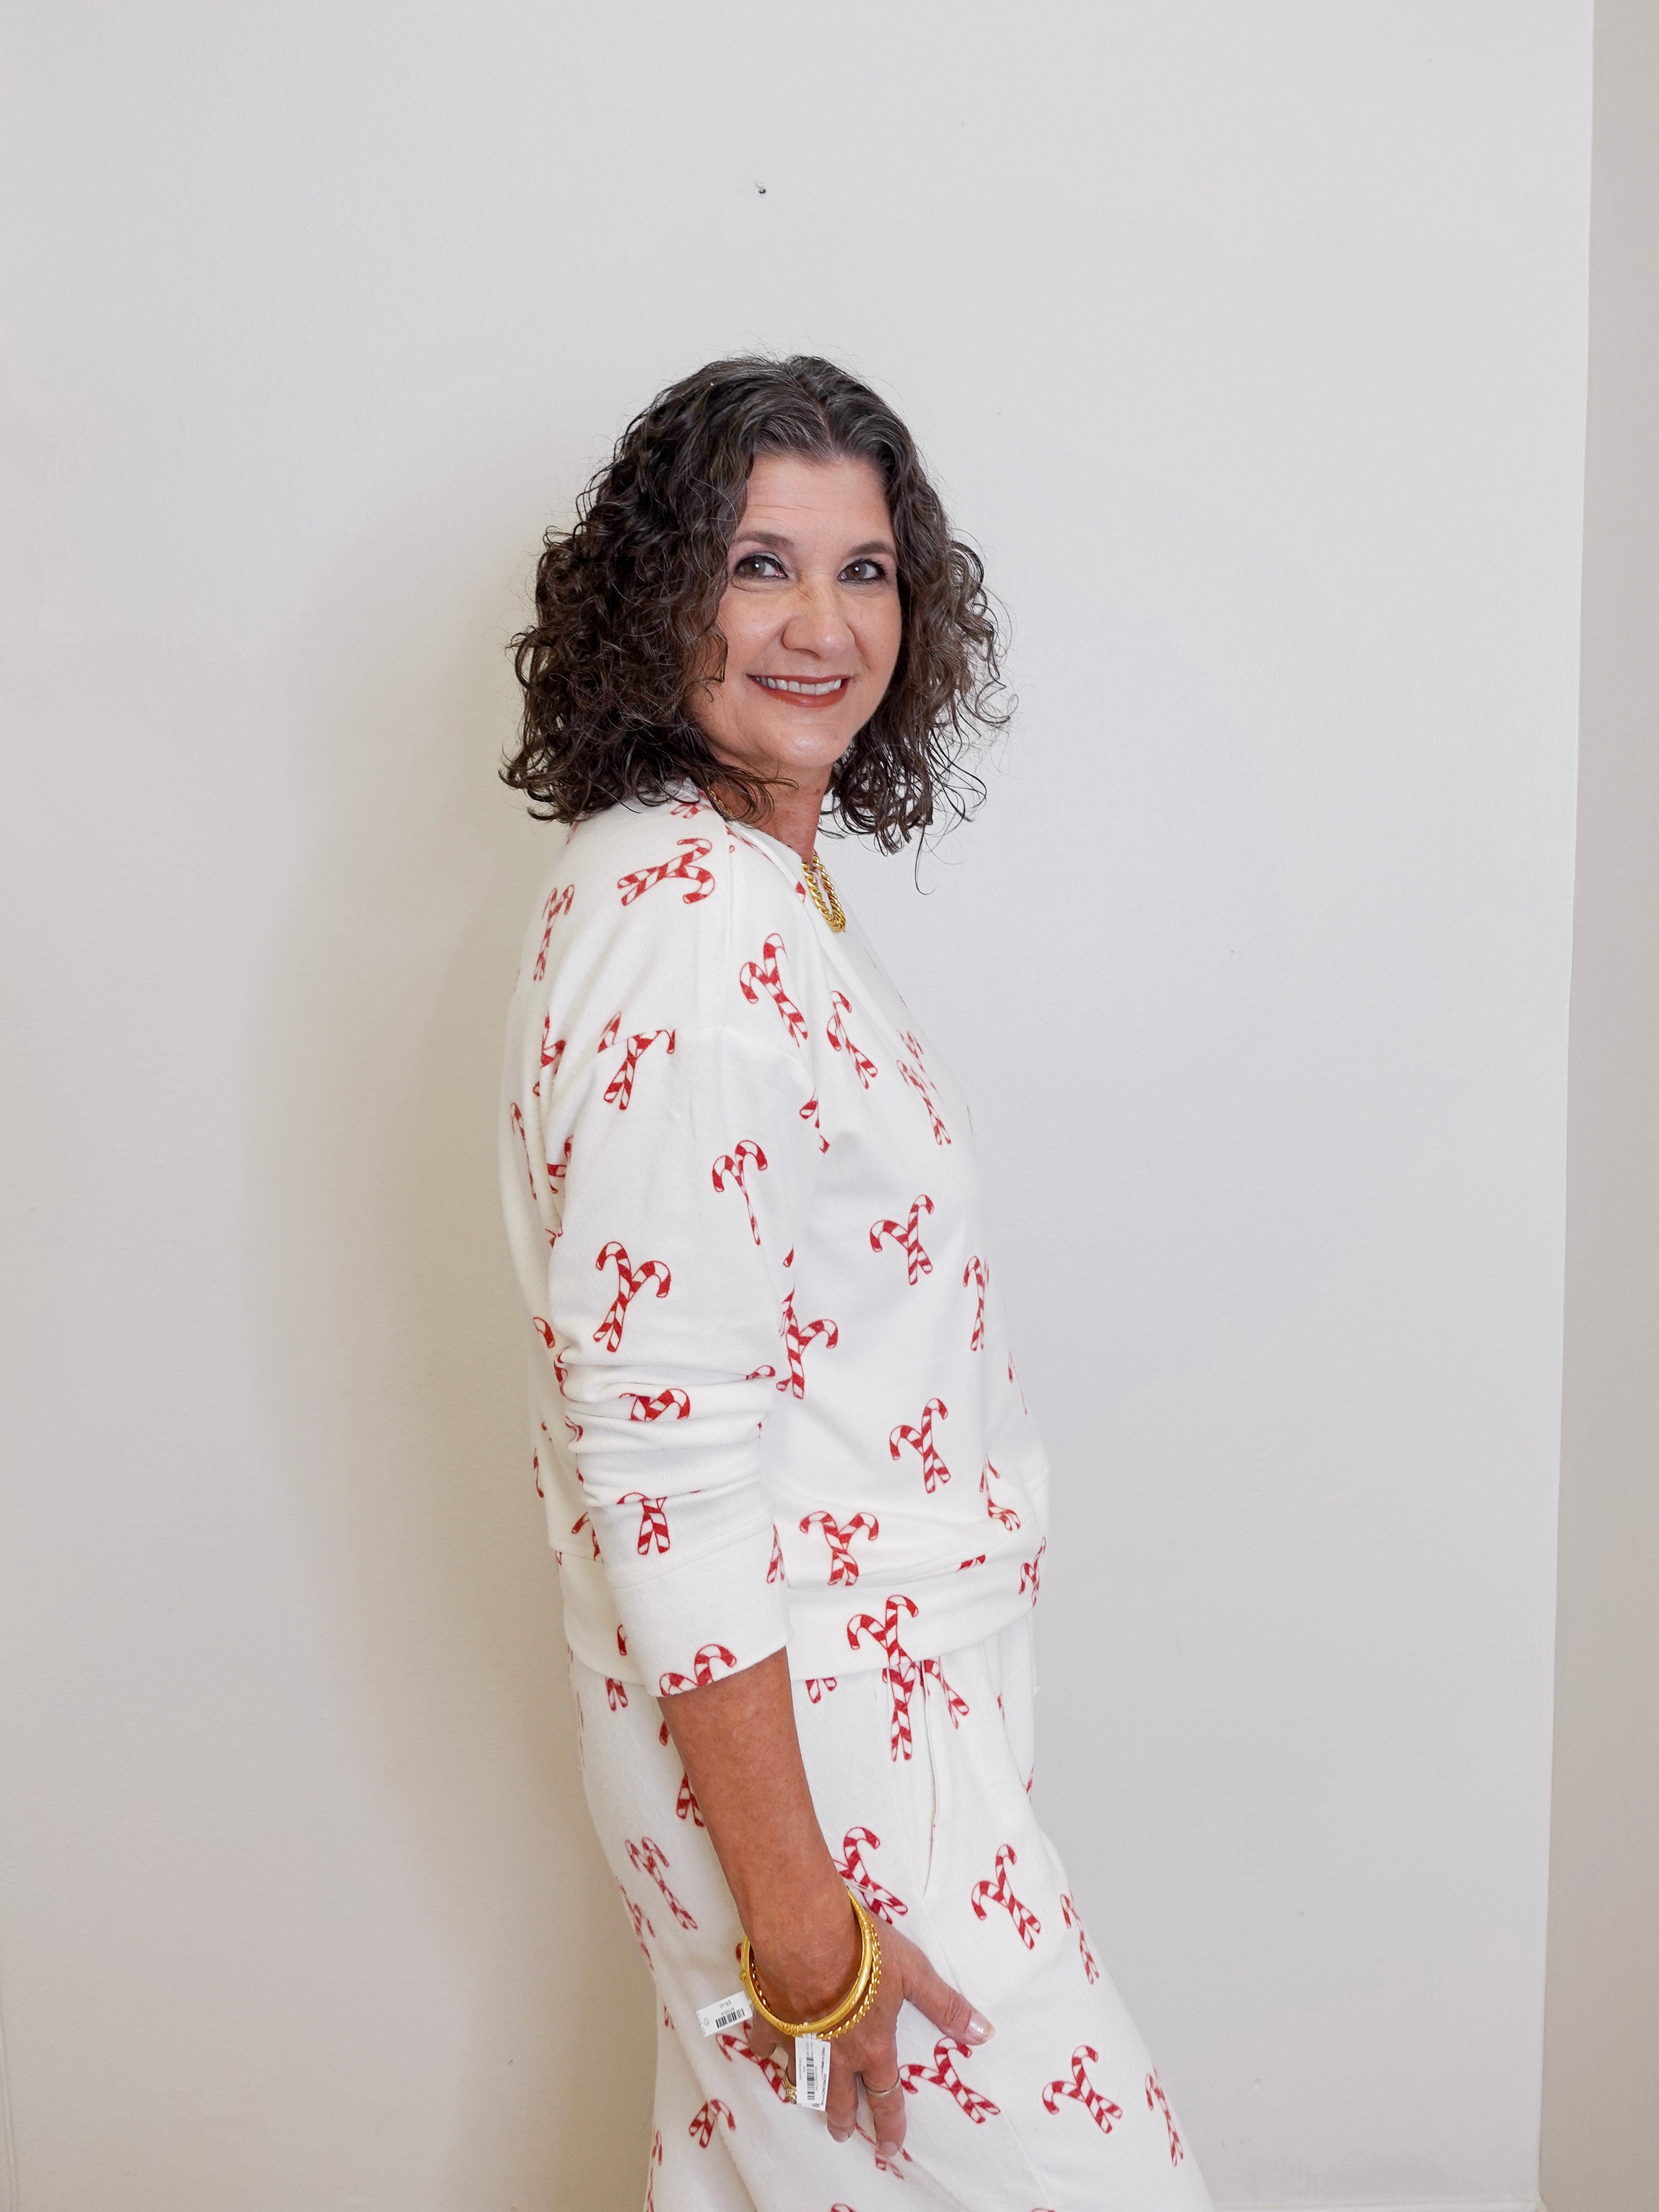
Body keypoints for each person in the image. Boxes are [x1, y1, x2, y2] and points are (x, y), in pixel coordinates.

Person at [499, 355, 1211, 2211]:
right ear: (659, 599)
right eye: (757, 564)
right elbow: (660, 1456)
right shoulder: (695, 935)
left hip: (852, 1721)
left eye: (866, 569)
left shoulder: (715, 881)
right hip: (823, 1743)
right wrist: (802, 1929)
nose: (821, 625)